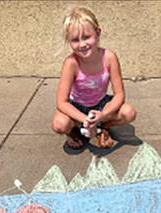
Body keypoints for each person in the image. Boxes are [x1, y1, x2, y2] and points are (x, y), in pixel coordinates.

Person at [52, 7, 137, 149]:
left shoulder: (109, 57)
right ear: (69, 41)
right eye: (75, 40)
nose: (82, 44)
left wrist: (103, 115)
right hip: (77, 106)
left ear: (98, 33)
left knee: (129, 113)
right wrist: (85, 120)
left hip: (100, 104)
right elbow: (62, 102)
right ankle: (73, 131)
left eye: (86, 37)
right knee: (59, 124)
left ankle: (102, 128)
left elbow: (120, 94)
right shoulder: (71, 63)